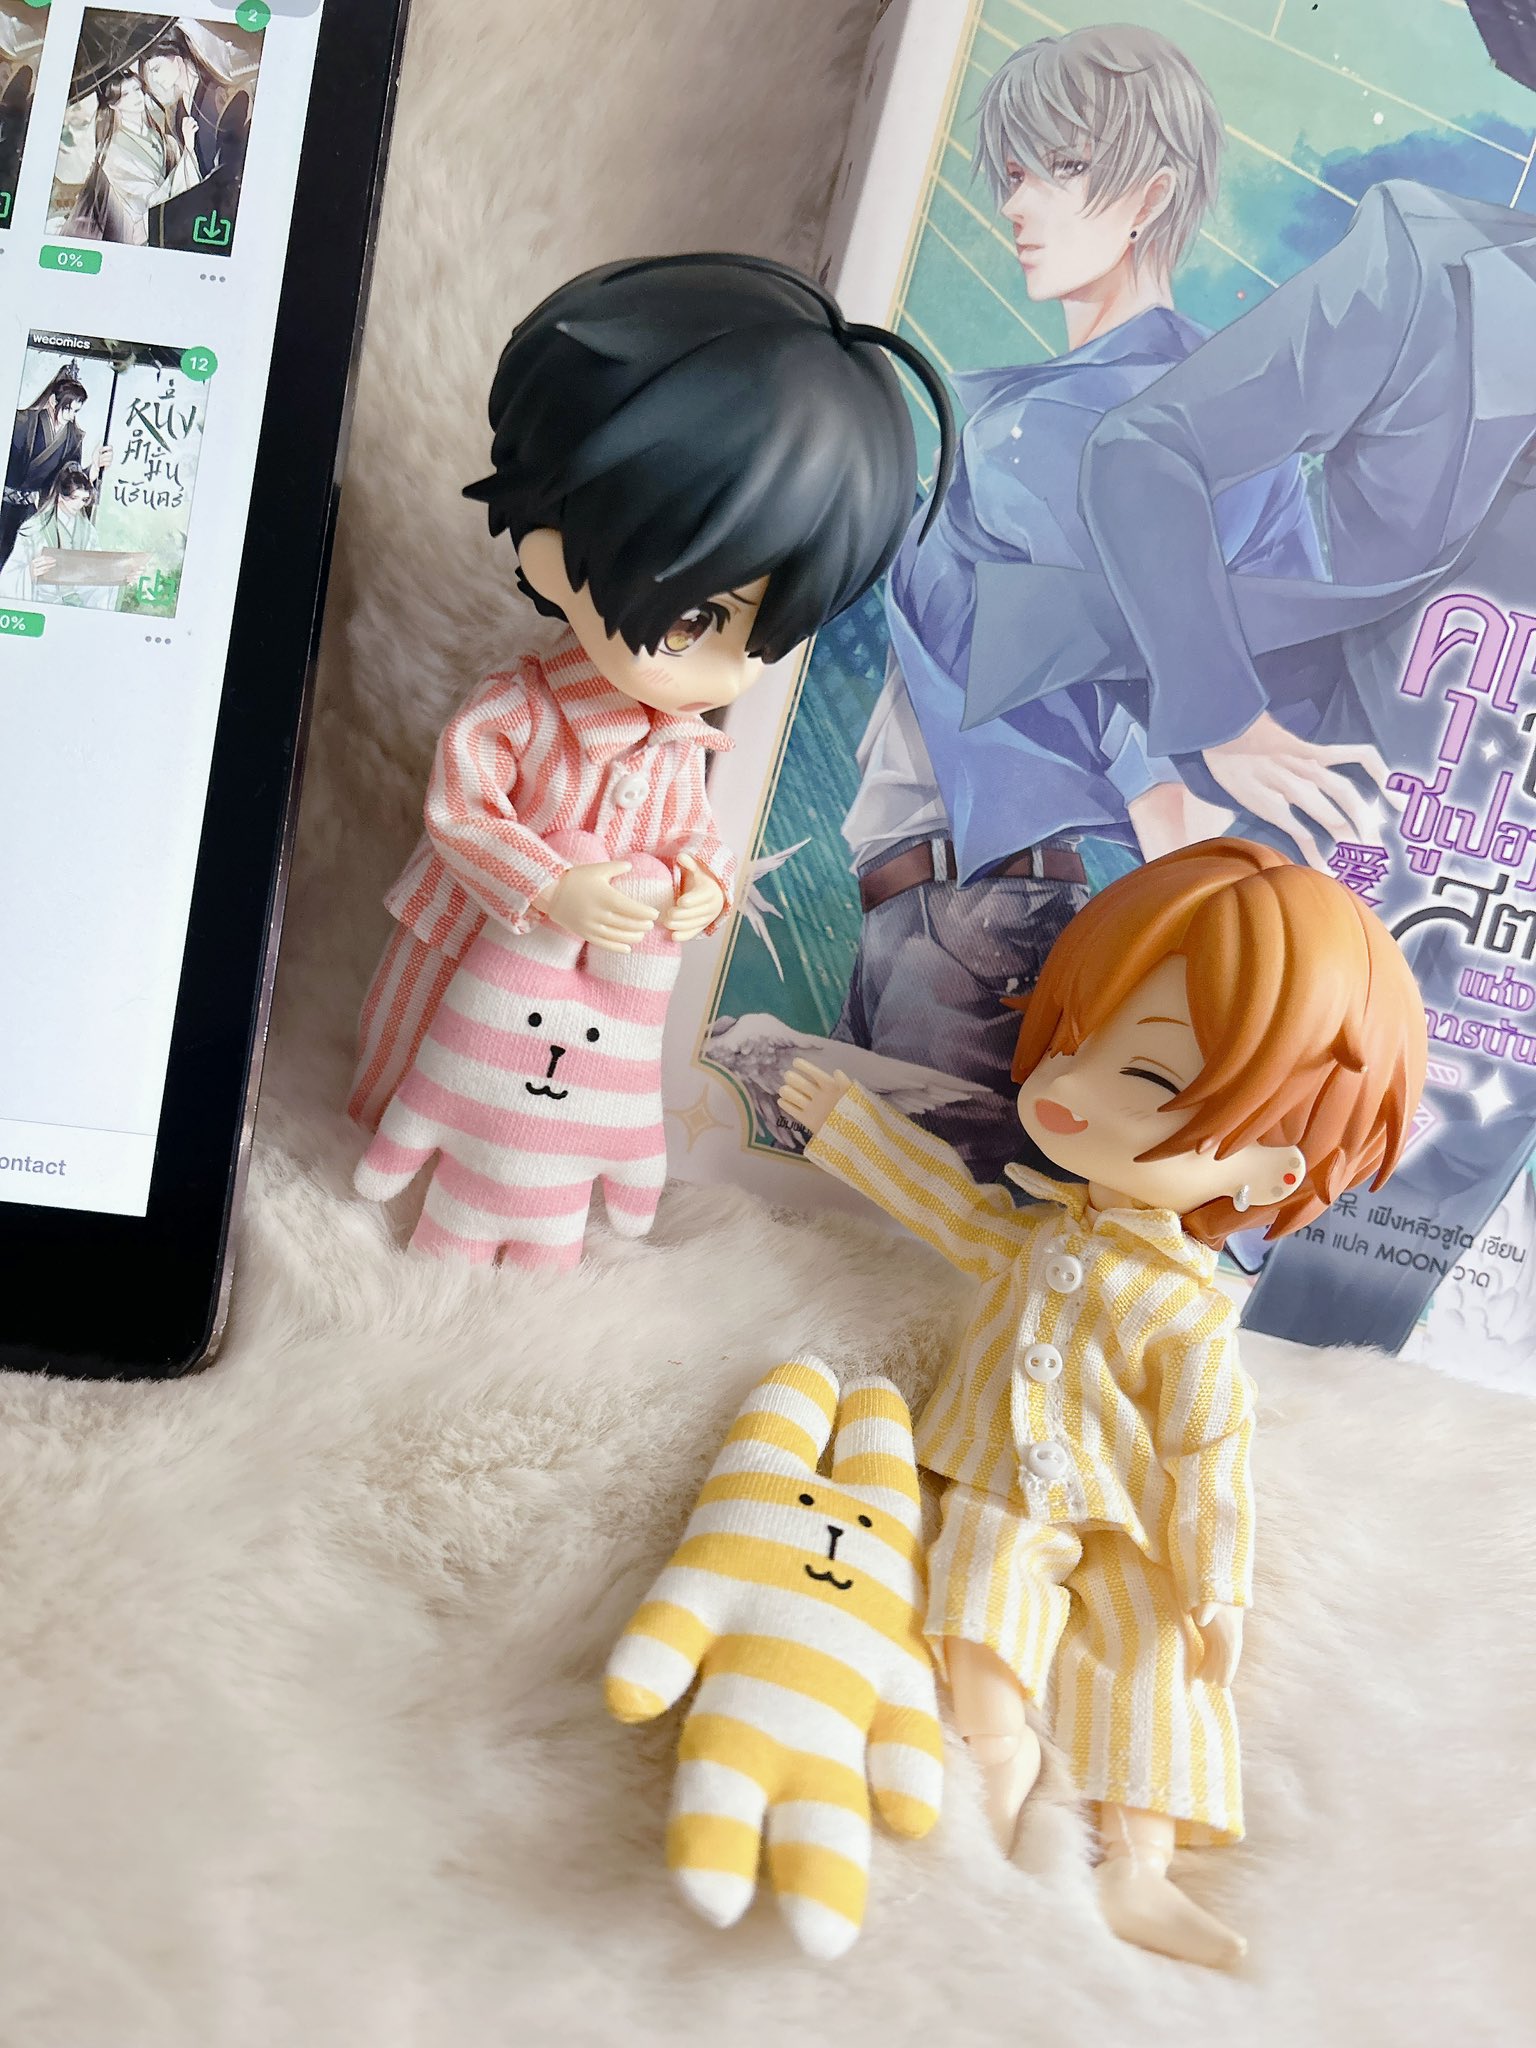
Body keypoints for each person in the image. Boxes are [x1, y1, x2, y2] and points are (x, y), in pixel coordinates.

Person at [781, 840, 1427, 1966]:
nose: (1068, 1090)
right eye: (1073, 1041)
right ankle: (995, 1762)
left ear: (1272, 1173)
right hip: (996, 1476)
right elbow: (956, 1210)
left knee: (1154, 1659)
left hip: (1129, 1516)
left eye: (1150, 1080)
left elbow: (1210, 1450)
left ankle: (1137, 1864)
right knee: (976, 1602)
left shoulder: (1190, 1315)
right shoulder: (1039, 1233)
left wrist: (1215, 1585)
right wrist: (852, 1128)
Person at [966, 178, 1536, 1348]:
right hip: (1328, 901)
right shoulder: (1434, 274)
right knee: (1084, 1280)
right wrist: (1224, 708)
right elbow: (1147, 451)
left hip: (1508, 990)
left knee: (1328, 1363)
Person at [349, 253, 956, 1261]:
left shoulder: (684, 741)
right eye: (695, 619)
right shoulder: (521, 707)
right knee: (409, 1050)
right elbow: (462, 809)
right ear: (555, 547)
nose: (726, 670)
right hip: (469, 928)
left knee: (554, 1099)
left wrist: (702, 884)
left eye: (764, 639)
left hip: (592, 1012)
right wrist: (549, 887)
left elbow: (692, 832)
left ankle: (529, 1170)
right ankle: (385, 1141)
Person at [830, 26, 1329, 1187]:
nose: (1019, 204)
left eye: (1061, 168)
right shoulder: (1146, 408)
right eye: (1013, 172)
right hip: (944, 914)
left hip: (978, 923)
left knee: (928, 1242)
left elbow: (1161, 663)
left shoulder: (1096, 420)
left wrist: (1166, 795)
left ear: (1151, 194)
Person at [47, 15, 247, 247]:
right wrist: (188, 152)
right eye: (126, 95)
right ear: (113, 105)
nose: (138, 97)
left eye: (138, 89)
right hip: (158, 230)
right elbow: (152, 203)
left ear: (177, 59)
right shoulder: (115, 151)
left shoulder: (169, 127)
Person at [3, 368, 110, 572]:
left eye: (76, 411)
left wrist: (94, 468)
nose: (71, 416)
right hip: (3, 504)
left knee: (22, 562)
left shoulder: (73, 438)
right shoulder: (22, 422)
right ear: (53, 401)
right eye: (67, 408)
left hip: (32, 509)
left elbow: (70, 476)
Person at [0, 463, 119, 611]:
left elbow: (95, 566)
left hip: (76, 595)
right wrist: (29, 571)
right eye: (74, 498)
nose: (78, 505)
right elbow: (9, 574)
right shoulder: (33, 528)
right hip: (42, 598)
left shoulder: (88, 531)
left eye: (83, 500)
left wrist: (116, 572)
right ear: (60, 496)